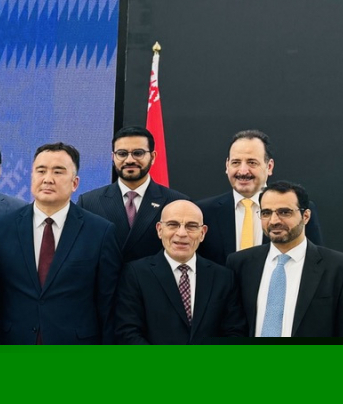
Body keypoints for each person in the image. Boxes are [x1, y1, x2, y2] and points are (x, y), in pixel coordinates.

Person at [0, 143, 122, 344]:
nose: (48, 179)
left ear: (75, 183)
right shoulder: (1, 229)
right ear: (31, 176)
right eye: (41, 171)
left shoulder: (100, 232)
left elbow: (108, 305)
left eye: (58, 172)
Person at [227, 181, 343, 338]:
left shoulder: (342, 269)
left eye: (284, 212)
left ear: (306, 216)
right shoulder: (240, 264)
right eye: (266, 213)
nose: (274, 221)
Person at [114, 200, 245, 344]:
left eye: (192, 226)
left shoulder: (224, 278)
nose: (182, 233)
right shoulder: (135, 274)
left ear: (202, 233)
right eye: (173, 225)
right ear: (159, 229)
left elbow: (234, 333)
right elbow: (128, 332)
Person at [198, 130, 323, 264]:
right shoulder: (204, 211)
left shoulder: (299, 209)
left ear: (269, 166)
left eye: (252, 162)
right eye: (236, 162)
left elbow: (315, 262)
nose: (243, 171)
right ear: (227, 166)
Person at [77, 126, 189, 263]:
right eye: (122, 154)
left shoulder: (177, 202)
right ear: (113, 157)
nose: (129, 160)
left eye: (138, 153)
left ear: (153, 157)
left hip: (153, 283)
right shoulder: (89, 202)